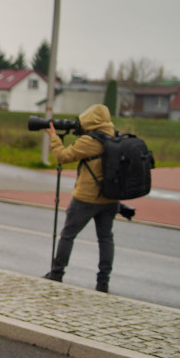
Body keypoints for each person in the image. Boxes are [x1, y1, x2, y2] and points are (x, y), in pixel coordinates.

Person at [43, 104, 120, 293]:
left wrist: (54, 138)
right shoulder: (114, 137)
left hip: (86, 198)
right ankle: (103, 282)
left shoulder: (90, 141)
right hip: (110, 198)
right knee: (105, 238)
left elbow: (62, 156)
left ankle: (57, 273)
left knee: (68, 235)